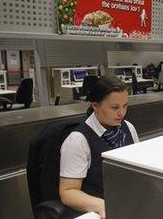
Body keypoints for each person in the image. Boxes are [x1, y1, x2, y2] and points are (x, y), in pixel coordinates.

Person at [59, 76, 139, 218]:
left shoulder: (129, 128)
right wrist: (101, 205)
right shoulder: (77, 141)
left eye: (125, 106)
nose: (122, 113)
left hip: (127, 203)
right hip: (97, 211)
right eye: (115, 107)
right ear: (95, 106)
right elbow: (68, 192)